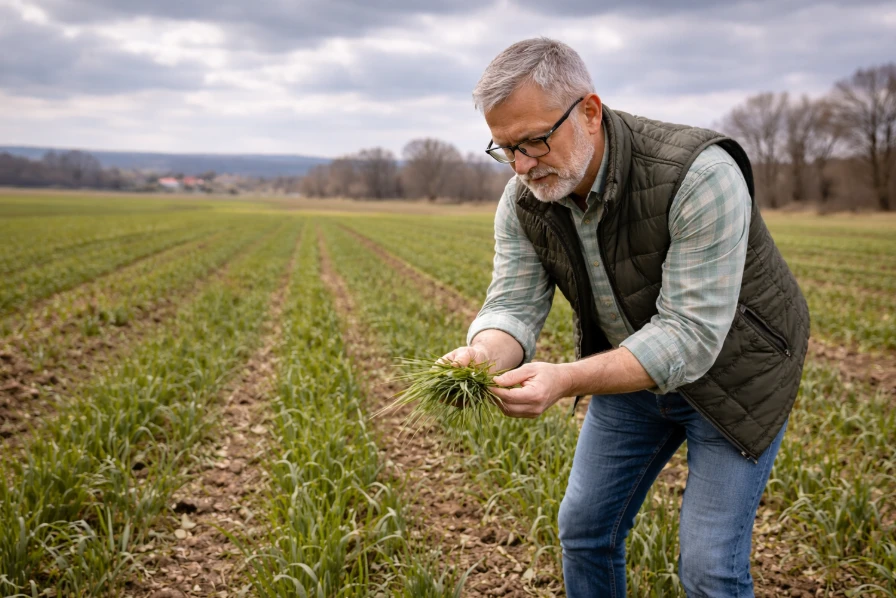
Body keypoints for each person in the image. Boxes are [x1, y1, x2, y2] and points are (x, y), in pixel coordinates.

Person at [441, 38, 810, 597]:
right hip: (631, 373)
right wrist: (481, 356)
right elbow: (512, 304)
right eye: (505, 148)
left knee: (710, 568)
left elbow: (689, 336)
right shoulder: (523, 200)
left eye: (536, 141)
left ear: (589, 111)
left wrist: (565, 379)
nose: (521, 165)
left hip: (736, 376)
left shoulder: (699, 173)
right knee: (584, 531)